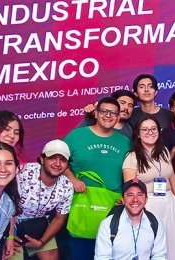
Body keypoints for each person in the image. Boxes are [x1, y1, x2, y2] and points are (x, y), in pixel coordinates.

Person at [64, 97, 131, 259]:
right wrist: (73, 179)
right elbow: (58, 162)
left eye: (113, 113)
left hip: (112, 207)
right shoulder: (76, 136)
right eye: (104, 111)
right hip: (81, 205)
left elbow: (131, 171)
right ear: (96, 113)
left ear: (118, 116)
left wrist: (126, 196)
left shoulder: (126, 142)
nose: (108, 116)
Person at [123, 115, 175, 260]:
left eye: (153, 129)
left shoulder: (164, 151)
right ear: (138, 133)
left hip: (169, 203)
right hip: (148, 205)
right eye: (145, 129)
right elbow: (131, 190)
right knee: (148, 246)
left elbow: (171, 175)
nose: (150, 132)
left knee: (172, 245)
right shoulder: (132, 157)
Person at [10, 140, 74, 260]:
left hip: (39, 224)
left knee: (51, 257)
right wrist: (10, 236)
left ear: (67, 165)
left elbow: (60, 218)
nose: (57, 163)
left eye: (63, 160)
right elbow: (7, 207)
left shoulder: (66, 185)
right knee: (12, 256)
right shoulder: (23, 172)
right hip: (12, 223)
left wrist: (42, 242)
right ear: (42, 159)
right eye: (52, 158)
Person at [95, 178, 167, 260]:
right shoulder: (107, 224)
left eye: (140, 195)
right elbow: (102, 257)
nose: (135, 199)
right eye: (130, 195)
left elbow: (159, 256)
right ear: (123, 200)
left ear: (146, 199)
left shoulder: (155, 222)